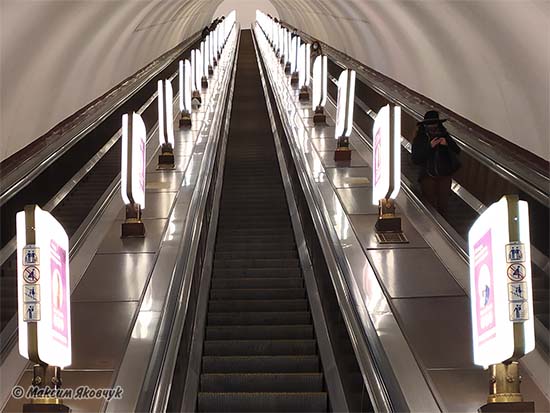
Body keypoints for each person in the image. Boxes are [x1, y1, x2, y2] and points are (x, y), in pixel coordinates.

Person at [411, 110, 461, 215]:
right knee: (429, 204)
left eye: (434, 124)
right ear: (424, 125)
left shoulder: (444, 136)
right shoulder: (420, 138)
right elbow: (415, 159)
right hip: (427, 176)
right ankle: (431, 227)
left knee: (443, 204)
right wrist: (430, 147)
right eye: (429, 124)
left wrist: (445, 145)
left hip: (444, 175)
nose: (432, 127)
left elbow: (457, 151)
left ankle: (443, 226)